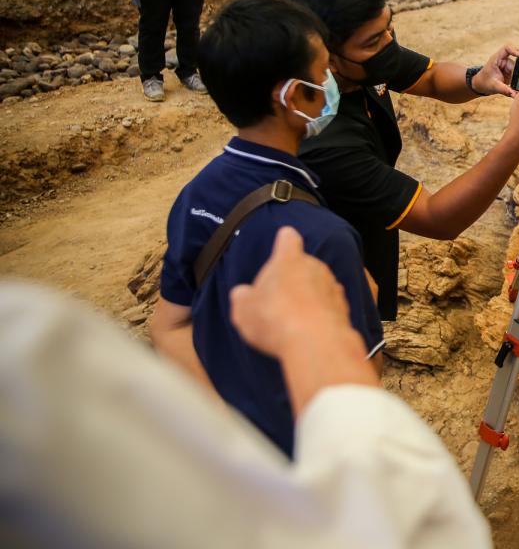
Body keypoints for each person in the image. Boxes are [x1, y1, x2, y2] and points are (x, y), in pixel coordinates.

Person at [0, 227, 491, 548]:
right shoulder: (27, 375)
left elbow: (168, 325)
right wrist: (316, 335)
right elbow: (401, 528)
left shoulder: (29, 346)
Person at [149, 0, 382, 457]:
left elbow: (168, 325)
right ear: (293, 96)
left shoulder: (197, 193)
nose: (330, 81)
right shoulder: (322, 236)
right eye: (322, 74)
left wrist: (230, 435)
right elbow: (362, 389)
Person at [282, 0, 519, 321]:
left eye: (389, 28)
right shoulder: (324, 141)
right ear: (325, 55)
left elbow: (428, 76)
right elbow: (438, 219)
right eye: (374, 40)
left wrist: (477, 80)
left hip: (365, 234)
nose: (389, 44)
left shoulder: (362, 61)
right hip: (323, 284)